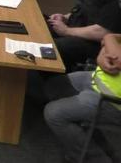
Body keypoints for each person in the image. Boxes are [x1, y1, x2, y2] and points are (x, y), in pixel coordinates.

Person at [44, 33, 121, 163]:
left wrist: (109, 39)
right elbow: (107, 40)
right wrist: (102, 57)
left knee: (54, 113)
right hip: (97, 78)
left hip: (112, 100)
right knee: (54, 86)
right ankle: (101, 146)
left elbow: (117, 58)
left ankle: (97, 159)